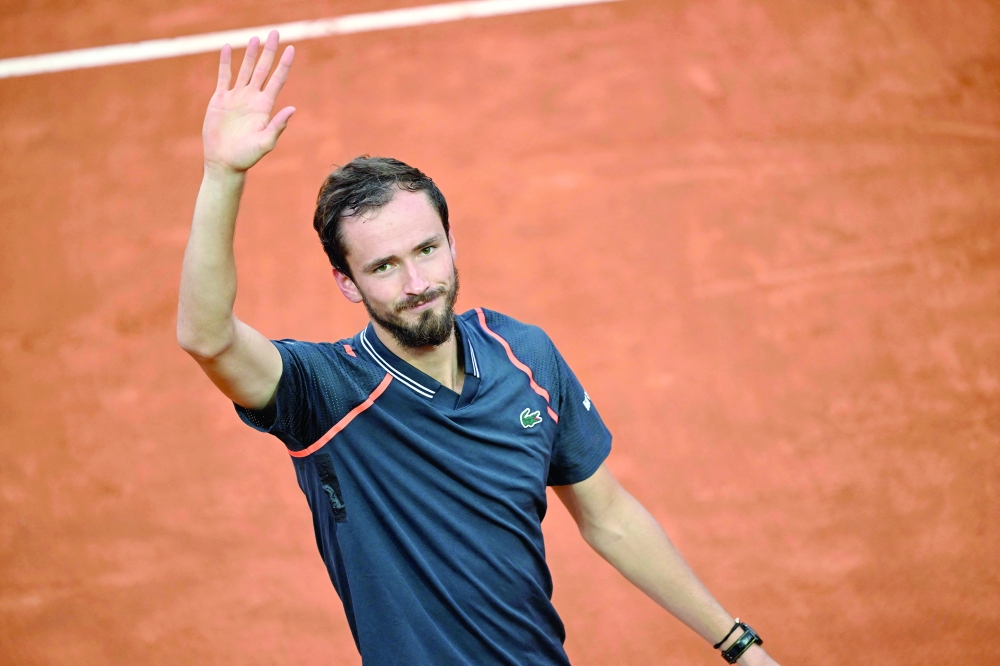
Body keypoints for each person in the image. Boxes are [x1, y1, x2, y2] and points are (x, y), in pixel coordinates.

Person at [176, 30, 781, 666]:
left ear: (452, 243)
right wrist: (222, 176)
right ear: (346, 284)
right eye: (383, 267)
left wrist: (737, 644)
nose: (417, 285)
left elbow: (609, 516)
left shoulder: (525, 356)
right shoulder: (324, 394)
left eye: (427, 250)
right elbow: (207, 336)